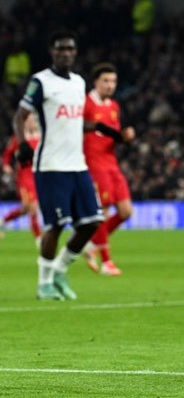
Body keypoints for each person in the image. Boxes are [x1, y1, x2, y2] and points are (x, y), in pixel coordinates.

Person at [13, 31, 122, 300]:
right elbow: (20, 115)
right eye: (61, 49)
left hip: (78, 165)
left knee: (93, 221)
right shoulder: (41, 82)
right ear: (52, 51)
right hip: (50, 165)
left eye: (70, 49)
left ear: (75, 52)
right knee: (57, 225)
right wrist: (22, 144)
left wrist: (96, 126)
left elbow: (72, 121)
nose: (66, 53)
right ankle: (44, 283)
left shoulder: (78, 83)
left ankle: (60, 269)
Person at [82, 62, 136, 275]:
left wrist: (125, 137)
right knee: (102, 213)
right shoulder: (86, 104)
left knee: (125, 211)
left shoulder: (114, 106)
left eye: (113, 81)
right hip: (94, 165)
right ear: (96, 82)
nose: (110, 85)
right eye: (105, 81)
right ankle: (106, 262)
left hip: (112, 164)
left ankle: (92, 243)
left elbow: (114, 137)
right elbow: (77, 127)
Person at [0, 116, 42, 245]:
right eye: (28, 120)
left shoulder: (41, 136)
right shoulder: (19, 138)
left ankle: (2, 221)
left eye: (33, 120)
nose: (31, 122)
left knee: (26, 208)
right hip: (24, 176)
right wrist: (6, 166)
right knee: (33, 207)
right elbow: (7, 154)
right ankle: (39, 238)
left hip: (39, 176)